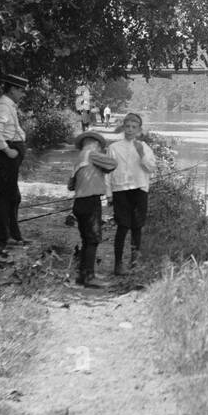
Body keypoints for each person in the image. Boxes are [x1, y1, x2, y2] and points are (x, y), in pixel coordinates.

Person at [107, 112, 158, 275]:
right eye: (127, 126)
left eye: (133, 127)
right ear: (123, 128)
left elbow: (150, 168)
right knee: (122, 227)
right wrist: (108, 193)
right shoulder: (113, 148)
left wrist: (141, 154)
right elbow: (108, 172)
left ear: (139, 130)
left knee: (137, 227)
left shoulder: (144, 147)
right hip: (120, 190)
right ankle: (118, 264)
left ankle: (134, 263)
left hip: (139, 189)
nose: (130, 130)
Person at [68, 130, 118, 287]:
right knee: (93, 239)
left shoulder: (78, 159)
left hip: (79, 203)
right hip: (91, 202)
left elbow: (70, 185)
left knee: (86, 239)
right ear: (95, 144)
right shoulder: (92, 154)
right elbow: (112, 164)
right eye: (99, 146)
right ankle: (89, 277)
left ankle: (82, 275)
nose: (99, 148)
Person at [0, 74, 29, 249]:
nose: (23, 94)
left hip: (9, 159)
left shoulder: (8, 105)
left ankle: (10, 234)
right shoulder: (3, 107)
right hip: (5, 159)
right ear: (12, 89)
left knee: (12, 197)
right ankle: (4, 236)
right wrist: (8, 150)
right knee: (7, 197)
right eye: (21, 91)